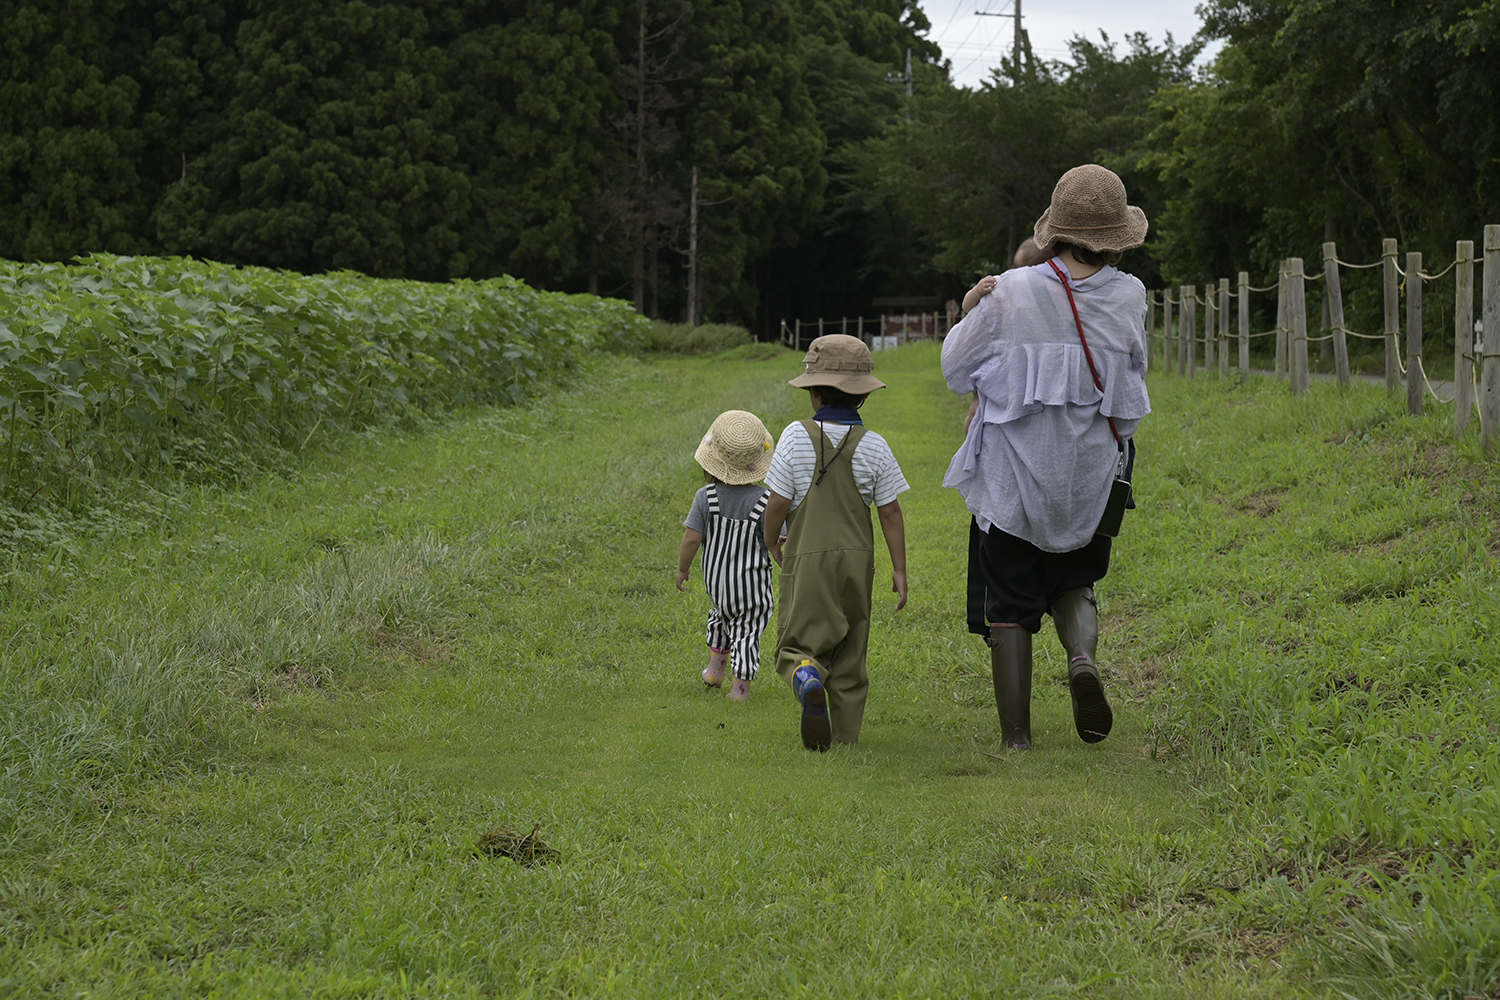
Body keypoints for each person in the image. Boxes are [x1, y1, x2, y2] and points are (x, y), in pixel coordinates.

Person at [941, 164, 1151, 751]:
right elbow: (1135, 374)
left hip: (1014, 475)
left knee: (1008, 598)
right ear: (1116, 236)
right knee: (1075, 577)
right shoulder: (1130, 295)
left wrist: (969, 307)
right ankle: (1081, 657)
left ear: (1054, 229)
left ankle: (1017, 739)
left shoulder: (1012, 290)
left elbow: (955, 370)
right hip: (1089, 474)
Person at [761, 335, 910, 751]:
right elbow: (890, 512)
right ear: (861, 395)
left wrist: (772, 540)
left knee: (797, 640)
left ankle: (806, 675)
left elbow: (777, 502)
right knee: (851, 643)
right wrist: (899, 569)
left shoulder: (794, 436)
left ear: (814, 392)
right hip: (857, 562)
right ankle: (844, 736)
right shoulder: (875, 446)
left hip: (807, 556)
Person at [676, 410, 776, 702]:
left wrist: (683, 569)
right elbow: (776, 540)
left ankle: (715, 671)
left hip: (719, 586)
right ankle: (739, 690)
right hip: (752, 588)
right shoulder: (766, 501)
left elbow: (692, 538)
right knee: (746, 633)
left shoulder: (704, 497)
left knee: (722, 619)